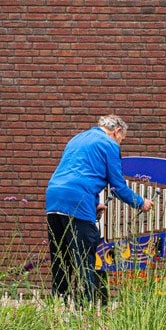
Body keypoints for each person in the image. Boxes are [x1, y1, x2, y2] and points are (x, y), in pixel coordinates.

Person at [46, 115, 151, 307]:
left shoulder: (76, 139)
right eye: (122, 140)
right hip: (77, 198)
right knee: (84, 261)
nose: (120, 144)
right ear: (117, 131)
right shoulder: (109, 144)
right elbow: (118, 186)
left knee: (60, 261)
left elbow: (77, 172)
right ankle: (85, 312)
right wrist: (140, 202)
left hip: (53, 199)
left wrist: (92, 204)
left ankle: (58, 310)